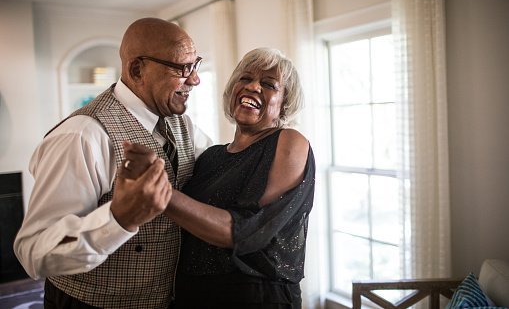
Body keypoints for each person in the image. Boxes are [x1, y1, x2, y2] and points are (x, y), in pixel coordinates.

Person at [13, 17, 212, 308]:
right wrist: (118, 219)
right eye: (182, 68)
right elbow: (34, 252)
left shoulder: (185, 125)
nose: (195, 79)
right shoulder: (82, 135)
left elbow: (221, 163)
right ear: (137, 69)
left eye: (195, 65)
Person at [122, 47, 315, 308]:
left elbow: (247, 231)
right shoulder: (210, 156)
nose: (254, 86)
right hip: (191, 292)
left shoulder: (290, 142)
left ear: (285, 104)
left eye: (269, 84)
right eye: (245, 78)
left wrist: (159, 191)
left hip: (256, 296)